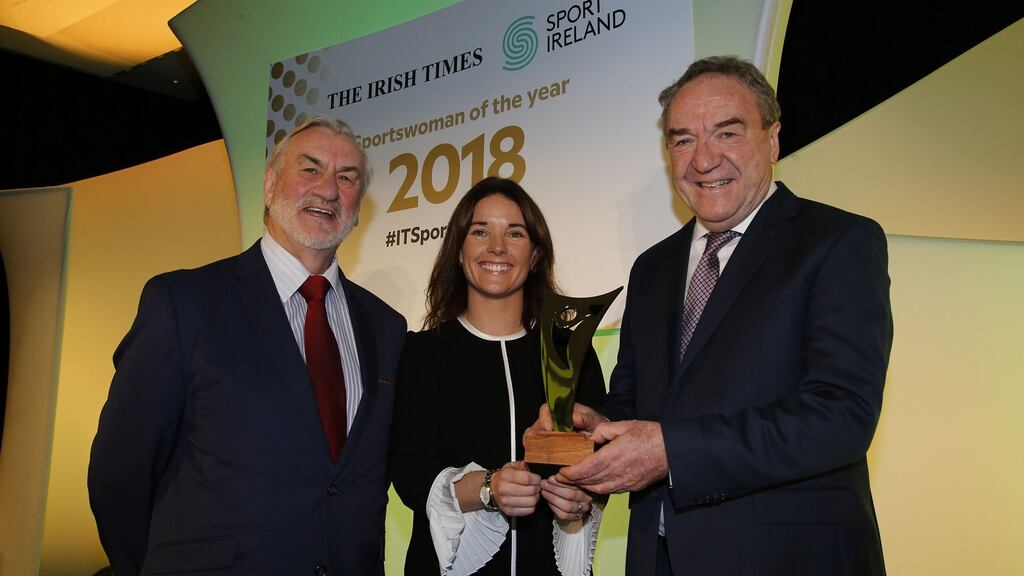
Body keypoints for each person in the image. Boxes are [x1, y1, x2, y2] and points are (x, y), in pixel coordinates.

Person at [530, 56, 893, 575]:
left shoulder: (838, 242)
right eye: (682, 140)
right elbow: (636, 400)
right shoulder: (652, 267)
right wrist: (594, 431)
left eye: (727, 133)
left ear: (773, 140)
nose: (703, 160)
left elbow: (841, 416)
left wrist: (671, 452)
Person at [88, 115, 406, 575]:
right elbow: (121, 472)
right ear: (270, 184)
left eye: (347, 177)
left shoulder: (386, 327)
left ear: (359, 204)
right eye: (310, 169)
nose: (328, 190)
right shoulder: (183, 303)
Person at [390, 177, 608, 575]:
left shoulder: (569, 353)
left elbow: (599, 463)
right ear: (459, 251)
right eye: (480, 231)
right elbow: (409, 472)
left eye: (515, 233)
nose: (497, 246)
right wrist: (489, 488)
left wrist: (582, 500)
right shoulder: (422, 352)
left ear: (536, 255)